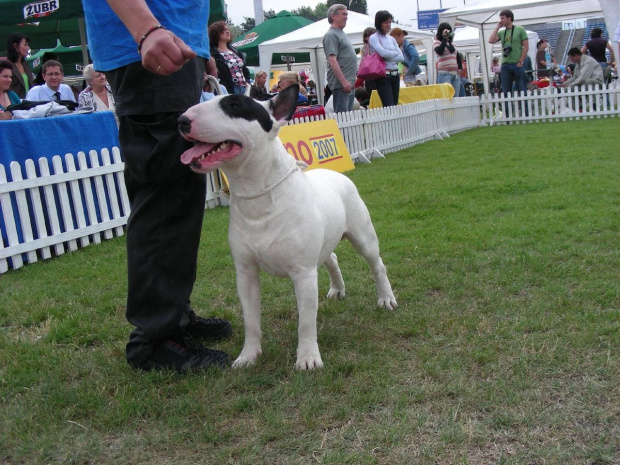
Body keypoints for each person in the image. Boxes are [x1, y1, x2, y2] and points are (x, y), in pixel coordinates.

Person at [82, 0, 232, 373]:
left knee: (179, 191)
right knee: (165, 192)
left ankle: (174, 317)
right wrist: (145, 28)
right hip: (148, 39)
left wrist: (199, 48)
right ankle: (155, 339)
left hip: (168, 39)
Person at [323, 4, 357, 113]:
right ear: (333, 16)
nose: (346, 17)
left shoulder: (340, 33)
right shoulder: (331, 35)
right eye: (344, 14)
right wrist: (344, 82)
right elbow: (332, 60)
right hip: (342, 85)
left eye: (346, 14)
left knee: (349, 117)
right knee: (343, 118)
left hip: (347, 84)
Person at [367, 11, 404, 107]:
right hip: (383, 76)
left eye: (389, 22)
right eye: (386, 22)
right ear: (379, 23)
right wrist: (394, 54)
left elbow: (401, 57)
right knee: (389, 105)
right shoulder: (374, 37)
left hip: (395, 75)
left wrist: (388, 55)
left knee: (394, 105)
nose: (388, 25)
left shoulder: (391, 39)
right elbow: (382, 53)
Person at [489, 9, 529, 96]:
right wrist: (497, 27)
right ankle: (507, 109)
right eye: (500, 18)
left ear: (509, 18)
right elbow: (491, 40)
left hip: (516, 63)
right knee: (506, 91)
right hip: (505, 64)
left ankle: (525, 108)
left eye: (503, 18)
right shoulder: (502, 32)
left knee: (521, 89)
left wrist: (521, 61)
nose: (501, 20)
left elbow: (526, 46)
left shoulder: (519, 29)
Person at [208, 20, 250, 95]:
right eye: (223, 30)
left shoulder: (236, 52)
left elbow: (245, 70)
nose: (227, 31)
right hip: (226, 90)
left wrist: (247, 82)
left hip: (244, 89)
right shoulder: (212, 53)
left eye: (227, 29)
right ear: (216, 33)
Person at [434, 22, 460, 95]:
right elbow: (440, 51)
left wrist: (460, 68)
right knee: (446, 97)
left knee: (456, 97)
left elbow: (457, 56)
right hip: (444, 73)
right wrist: (444, 39)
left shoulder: (452, 45)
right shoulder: (436, 42)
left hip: (455, 74)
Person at [6, 33, 34, 99]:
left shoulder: (25, 64)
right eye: (25, 45)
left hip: (28, 103)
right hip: (13, 103)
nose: (28, 48)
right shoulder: (6, 65)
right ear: (15, 46)